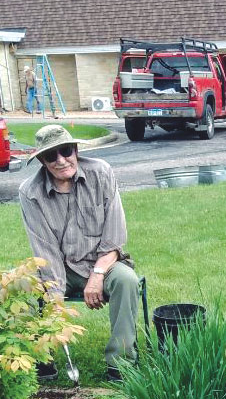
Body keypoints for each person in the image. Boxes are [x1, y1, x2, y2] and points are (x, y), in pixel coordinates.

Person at [18, 124, 139, 381]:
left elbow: (114, 236)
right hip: (58, 268)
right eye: (52, 156)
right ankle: (41, 361)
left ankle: (121, 365)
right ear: (42, 161)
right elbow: (45, 250)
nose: (61, 160)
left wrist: (97, 276)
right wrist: (55, 297)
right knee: (18, 285)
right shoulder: (30, 193)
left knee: (127, 280)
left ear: (75, 150)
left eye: (66, 151)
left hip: (103, 263)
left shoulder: (101, 172)